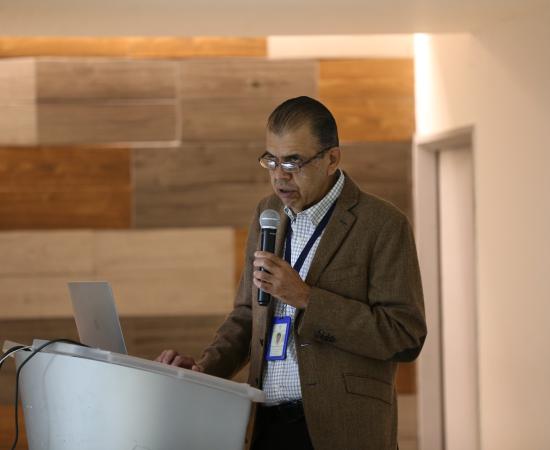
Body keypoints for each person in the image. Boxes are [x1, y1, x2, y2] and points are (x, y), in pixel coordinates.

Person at [156, 96, 427, 450]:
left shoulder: (382, 224)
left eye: (293, 162)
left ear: (332, 159)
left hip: (342, 429)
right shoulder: (267, 213)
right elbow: (247, 314)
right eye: (271, 160)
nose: (279, 175)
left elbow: (405, 336)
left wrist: (307, 299)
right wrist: (203, 370)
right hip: (264, 423)